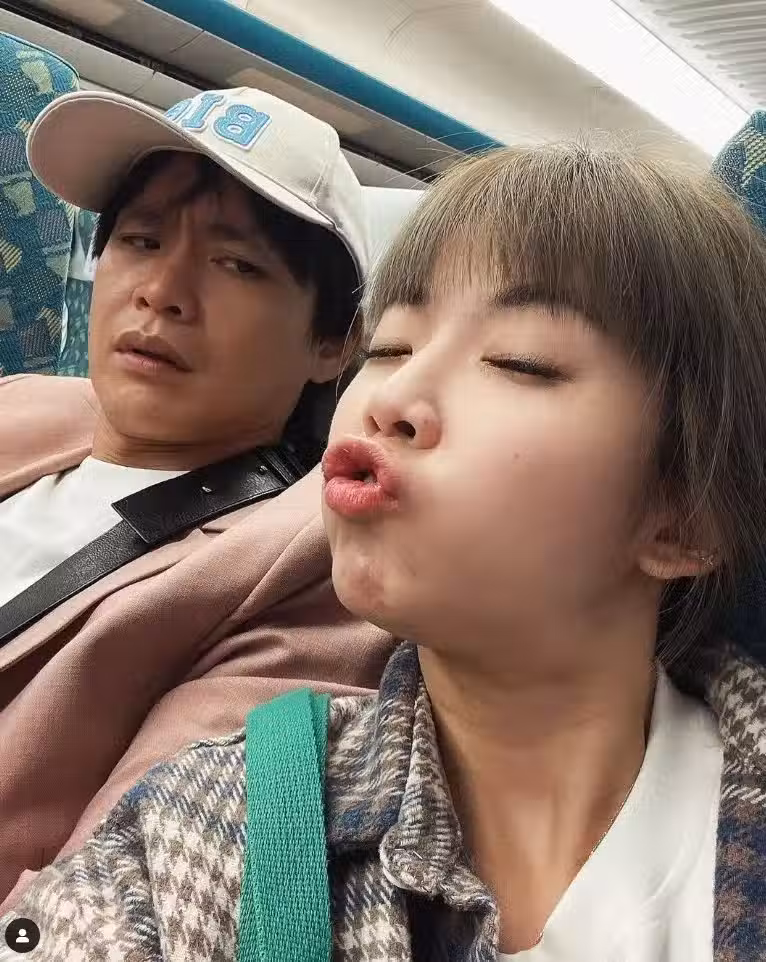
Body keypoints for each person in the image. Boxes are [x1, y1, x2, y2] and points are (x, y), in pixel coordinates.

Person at [5, 130, 766, 961]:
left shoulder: (252, 796)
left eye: (521, 362)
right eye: (392, 348)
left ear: (684, 519)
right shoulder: (198, 824)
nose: (393, 394)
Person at [0, 86, 395, 906]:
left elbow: (107, 904)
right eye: (141, 240)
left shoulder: (308, 577)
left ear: (334, 343)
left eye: (237, 264)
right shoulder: (25, 405)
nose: (162, 290)